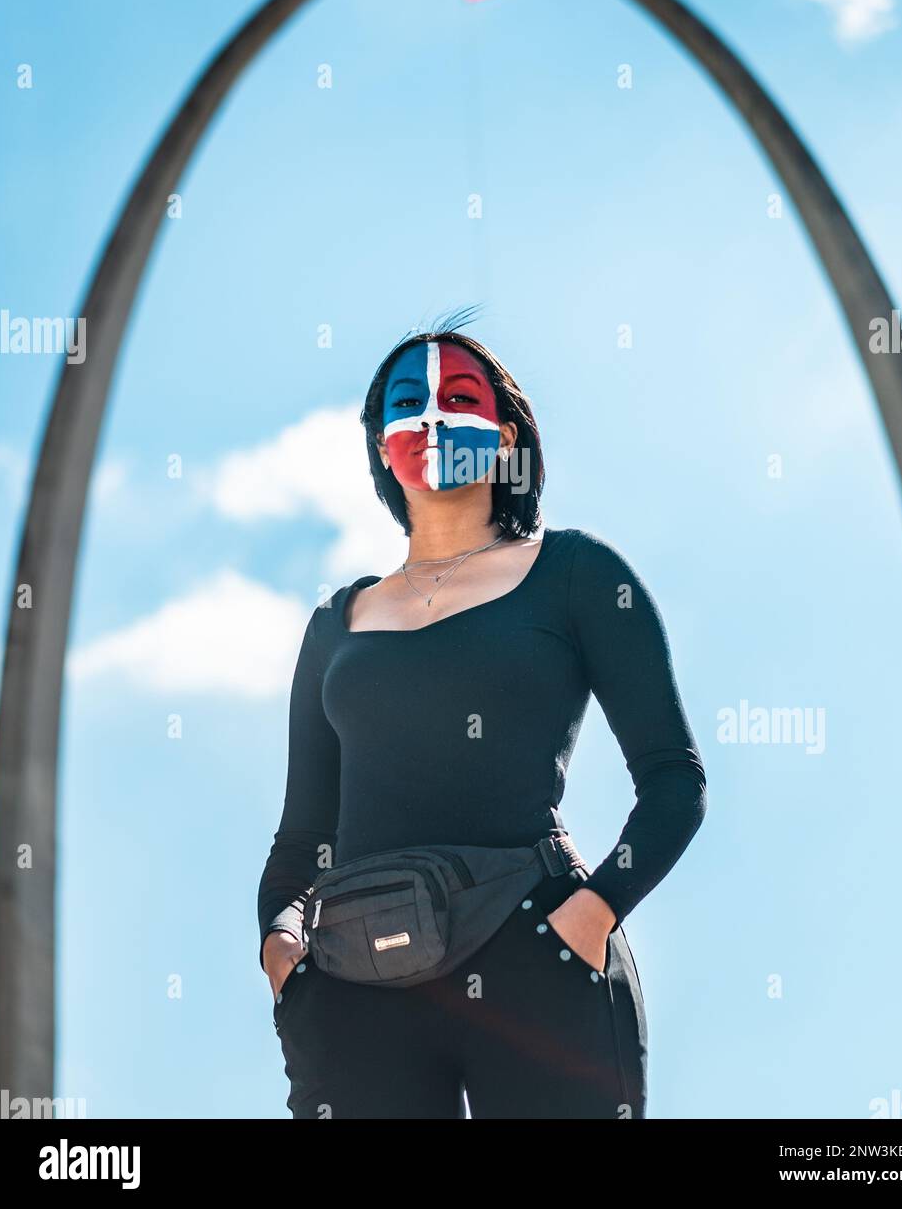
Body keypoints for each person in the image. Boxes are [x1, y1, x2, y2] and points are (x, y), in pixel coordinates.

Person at [256, 321, 708, 1119]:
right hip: (353, 981)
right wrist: (282, 945)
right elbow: (301, 836)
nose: (431, 417)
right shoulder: (335, 622)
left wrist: (593, 913)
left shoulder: (576, 574)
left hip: (536, 950)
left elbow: (674, 779)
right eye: (407, 403)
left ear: (504, 438)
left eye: (458, 399)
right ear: (381, 443)